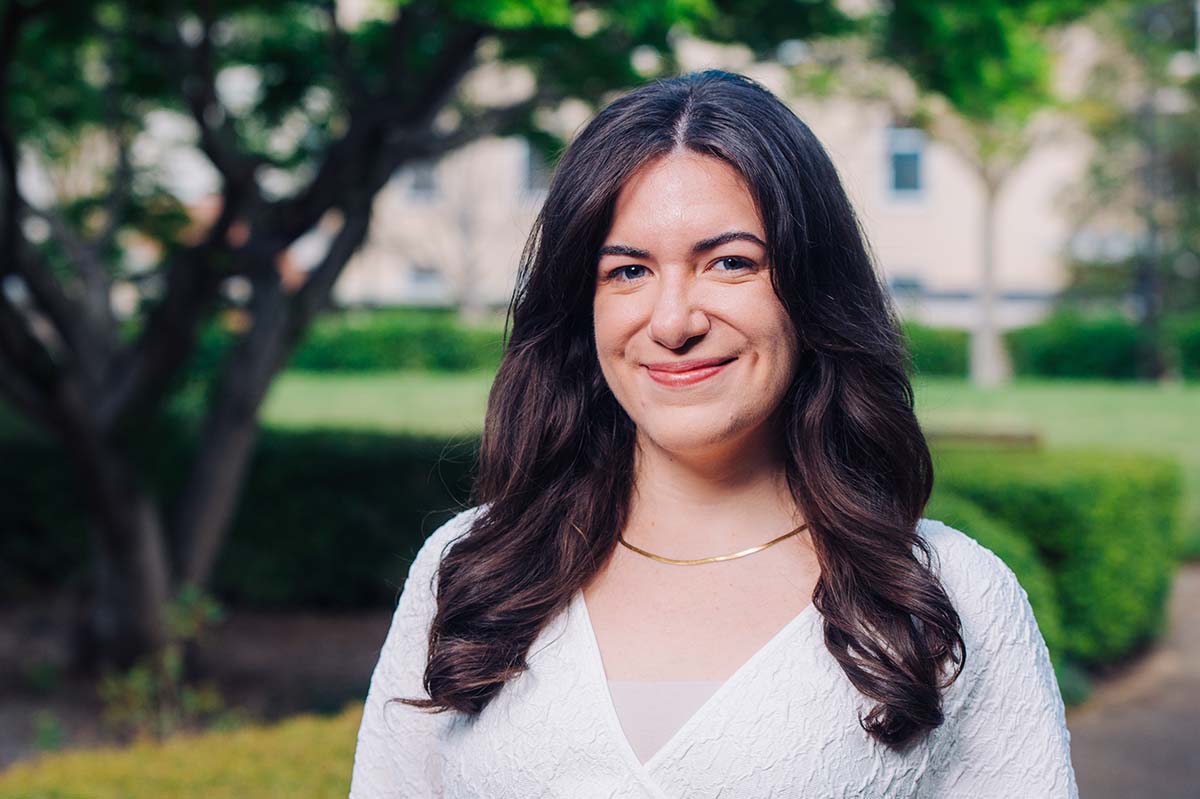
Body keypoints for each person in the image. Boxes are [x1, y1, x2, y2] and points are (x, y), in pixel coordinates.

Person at [348, 70, 1078, 798]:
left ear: (812, 290)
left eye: (730, 263)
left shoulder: (953, 596)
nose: (673, 322)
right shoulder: (473, 571)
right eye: (627, 271)